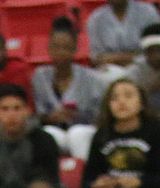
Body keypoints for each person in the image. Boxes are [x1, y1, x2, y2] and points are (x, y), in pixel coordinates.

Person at [61, 78, 160, 188]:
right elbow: (88, 178)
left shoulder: (155, 131)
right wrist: (96, 184)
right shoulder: (102, 133)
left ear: (141, 103)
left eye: (128, 96)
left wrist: (139, 182)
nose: (121, 102)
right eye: (114, 98)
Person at [32, 16, 107, 160]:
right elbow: (35, 114)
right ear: (49, 49)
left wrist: (79, 115)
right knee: (48, 133)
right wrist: (50, 117)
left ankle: (84, 177)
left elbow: (102, 115)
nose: (60, 52)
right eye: (55, 47)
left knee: (77, 134)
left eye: (66, 48)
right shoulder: (39, 76)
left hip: (85, 130)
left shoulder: (91, 78)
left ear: (75, 50)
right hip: (55, 130)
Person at [87, 0, 160, 73]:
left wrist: (118, 58)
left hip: (144, 67)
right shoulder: (96, 19)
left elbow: (156, 50)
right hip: (110, 70)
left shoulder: (148, 12)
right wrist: (129, 57)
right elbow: (97, 58)